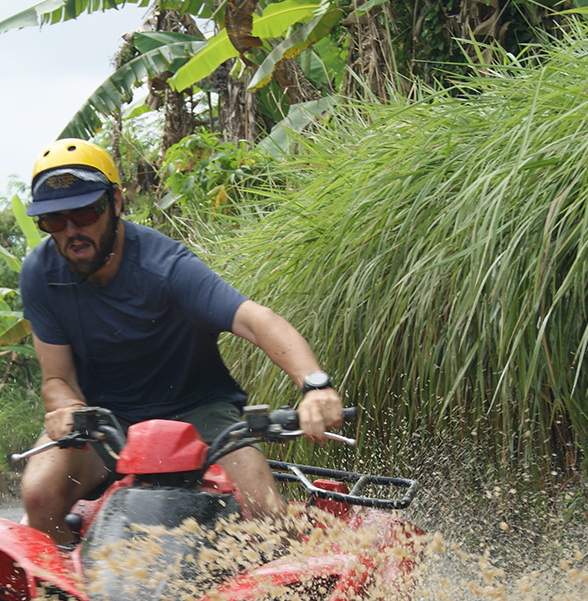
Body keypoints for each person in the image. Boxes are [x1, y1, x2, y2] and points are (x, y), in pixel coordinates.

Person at [18, 139, 344, 544]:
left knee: (267, 512)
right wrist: (67, 408)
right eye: (53, 219)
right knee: (38, 492)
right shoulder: (40, 274)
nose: (71, 231)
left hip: (200, 413)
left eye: (84, 212)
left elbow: (256, 321)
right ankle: (68, 580)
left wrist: (315, 385)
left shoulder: (166, 267)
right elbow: (56, 379)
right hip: (105, 423)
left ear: (115, 203)